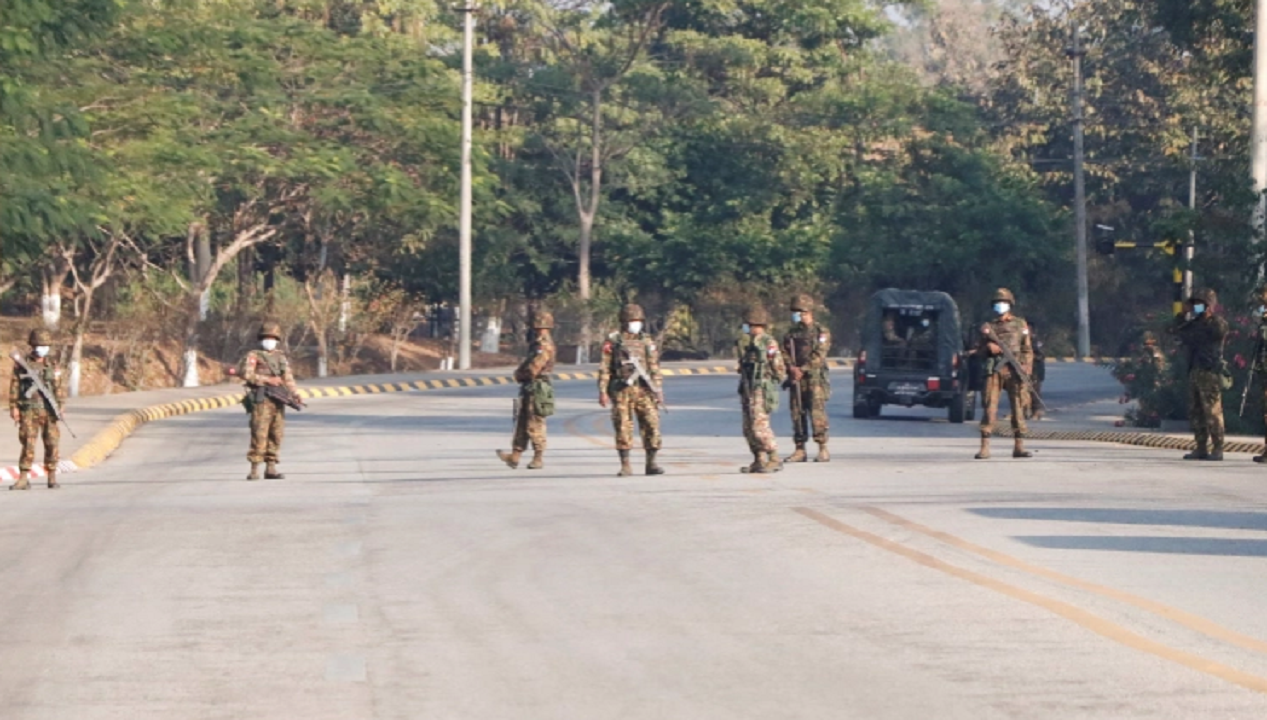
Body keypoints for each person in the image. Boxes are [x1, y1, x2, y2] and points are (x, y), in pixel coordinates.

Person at [598, 304, 665, 477]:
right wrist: (603, 390)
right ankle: (625, 464)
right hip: (622, 390)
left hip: (644, 390)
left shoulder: (646, 341)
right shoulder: (613, 341)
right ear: (624, 321)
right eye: (632, 321)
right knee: (622, 426)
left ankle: (652, 462)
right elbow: (605, 367)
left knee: (652, 424)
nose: (636, 324)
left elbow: (654, 366)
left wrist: (657, 389)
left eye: (638, 321)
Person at [973, 288, 1034, 460]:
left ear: (1010, 305)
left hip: (1015, 370)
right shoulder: (989, 327)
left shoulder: (1020, 324)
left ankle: (1019, 446)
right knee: (989, 406)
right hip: (995, 370)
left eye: (1004, 303)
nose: (1001, 306)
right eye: (998, 303)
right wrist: (988, 348)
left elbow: (1027, 349)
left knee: (1018, 406)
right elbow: (978, 351)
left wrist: (1026, 367)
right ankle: (985, 447)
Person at [1170, 288, 1229, 461]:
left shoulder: (1216, 323)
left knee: (1212, 412)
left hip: (1209, 371)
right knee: (1196, 411)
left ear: (1209, 305)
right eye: (1194, 304)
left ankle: (1218, 448)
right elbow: (1175, 330)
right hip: (1194, 370)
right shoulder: (1192, 324)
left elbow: (1218, 333)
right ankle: (1201, 447)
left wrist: (1206, 315)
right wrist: (1182, 314)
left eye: (1199, 304)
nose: (1196, 307)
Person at [241, 321, 303, 480]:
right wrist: (267, 380)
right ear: (261, 338)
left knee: (276, 434)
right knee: (259, 434)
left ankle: (271, 468)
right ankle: (254, 469)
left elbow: (287, 377)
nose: (269, 340)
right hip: (261, 399)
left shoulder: (280, 357)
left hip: (278, 399)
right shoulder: (254, 355)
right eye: (266, 337)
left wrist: (295, 393)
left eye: (272, 337)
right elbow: (248, 375)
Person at [498, 309, 557, 470]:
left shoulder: (543, 344)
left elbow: (534, 367)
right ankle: (515, 455)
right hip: (530, 386)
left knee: (535, 422)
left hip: (537, 387)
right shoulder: (538, 343)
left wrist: (521, 374)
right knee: (522, 422)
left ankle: (538, 457)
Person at [9, 329, 66, 490]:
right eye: (40, 345)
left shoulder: (52, 364)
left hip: (49, 410)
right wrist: (14, 407)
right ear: (33, 345)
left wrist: (61, 405)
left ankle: (52, 476)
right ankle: (23, 477)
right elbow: (14, 386)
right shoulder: (22, 363)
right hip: (28, 409)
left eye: (45, 345)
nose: (43, 348)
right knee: (27, 442)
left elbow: (58, 386)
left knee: (52, 443)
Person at [781, 294, 832, 463]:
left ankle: (822, 448)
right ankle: (800, 449)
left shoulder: (821, 332)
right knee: (797, 413)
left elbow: (820, 355)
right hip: (797, 379)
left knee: (817, 414)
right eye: (794, 312)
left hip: (815, 379)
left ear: (807, 311)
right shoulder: (791, 333)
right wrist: (791, 368)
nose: (795, 315)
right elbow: (784, 352)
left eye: (798, 311)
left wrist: (802, 369)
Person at [738, 307, 787, 473]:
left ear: (754, 324)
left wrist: (768, 381)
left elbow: (779, 369)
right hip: (747, 388)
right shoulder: (750, 344)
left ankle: (774, 457)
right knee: (748, 427)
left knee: (759, 425)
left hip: (761, 389)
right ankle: (759, 458)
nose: (744, 327)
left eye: (747, 324)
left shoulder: (768, 343)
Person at [1024, 321, 1046, 420]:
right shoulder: (1020, 340)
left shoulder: (1036, 341)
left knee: (1034, 391)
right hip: (1023, 369)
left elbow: (1041, 355)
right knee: (1021, 391)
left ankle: (1036, 411)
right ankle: (1022, 411)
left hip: (1035, 369)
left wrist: (1030, 356)